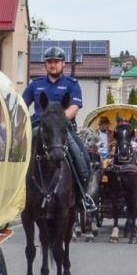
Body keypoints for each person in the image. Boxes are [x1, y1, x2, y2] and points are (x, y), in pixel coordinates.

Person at [21, 46, 95, 223]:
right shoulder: (36, 85)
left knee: (82, 159)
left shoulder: (72, 84)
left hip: (63, 129)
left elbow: (74, 107)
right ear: (45, 65)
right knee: (15, 155)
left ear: (63, 64)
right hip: (38, 128)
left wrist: (58, 120)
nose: (53, 65)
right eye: (49, 62)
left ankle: (82, 198)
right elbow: (22, 105)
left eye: (56, 62)